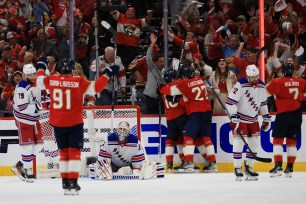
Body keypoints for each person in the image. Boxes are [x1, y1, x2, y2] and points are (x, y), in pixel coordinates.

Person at [36, 58, 119, 195]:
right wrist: (107, 74)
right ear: (72, 69)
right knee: (74, 153)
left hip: (57, 122)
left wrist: (40, 67)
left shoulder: (51, 79)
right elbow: (96, 88)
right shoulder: (78, 81)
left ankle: (65, 183)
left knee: (63, 153)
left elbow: (39, 82)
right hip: (74, 122)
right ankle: (73, 183)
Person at [160, 66, 216, 173]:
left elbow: (168, 90)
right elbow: (200, 75)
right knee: (205, 138)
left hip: (195, 113)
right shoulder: (199, 79)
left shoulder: (184, 84)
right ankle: (213, 163)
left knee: (187, 136)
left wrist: (160, 88)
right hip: (207, 111)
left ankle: (188, 162)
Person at [225, 64, 271, 181]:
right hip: (241, 119)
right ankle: (237, 168)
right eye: (252, 77)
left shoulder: (261, 86)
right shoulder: (240, 85)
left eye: (256, 76)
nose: (255, 79)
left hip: (254, 119)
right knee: (239, 143)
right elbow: (230, 102)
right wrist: (234, 114)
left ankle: (249, 167)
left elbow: (263, 103)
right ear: (247, 76)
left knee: (254, 142)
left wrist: (265, 118)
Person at [266, 63, 306, 178]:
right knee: (292, 142)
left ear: (283, 71)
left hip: (283, 114)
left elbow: (266, 93)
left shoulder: (278, 81)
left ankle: (278, 165)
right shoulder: (302, 82)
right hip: (297, 114)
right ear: (293, 71)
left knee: (278, 140)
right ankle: (290, 167)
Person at [11, 64, 43, 182]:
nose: (32, 76)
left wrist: (45, 102)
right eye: (29, 74)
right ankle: (27, 168)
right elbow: (22, 106)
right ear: (25, 75)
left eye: (33, 74)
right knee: (27, 146)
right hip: (23, 119)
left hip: (34, 119)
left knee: (39, 144)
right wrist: (38, 107)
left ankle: (20, 165)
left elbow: (39, 100)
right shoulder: (21, 87)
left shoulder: (37, 85)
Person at [159, 70, 187, 172]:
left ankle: (169, 164)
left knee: (170, 140)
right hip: (180, 116)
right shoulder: (178, 85)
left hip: (170, 119)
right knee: (185, 139)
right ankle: (186, 161)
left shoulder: (163, 89)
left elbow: (163, 89)